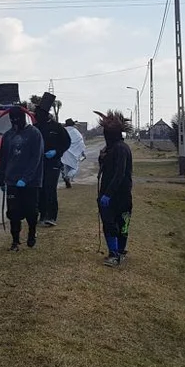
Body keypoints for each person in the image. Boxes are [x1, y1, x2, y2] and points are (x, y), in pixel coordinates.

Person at [0, 105, 44, 250]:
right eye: (12, 120)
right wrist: (1, 179)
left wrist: (26, 178)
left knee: (31, 211)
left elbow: (36, 158)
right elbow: (3, 158)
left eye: (17, 120)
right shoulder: (7, 136)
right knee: (14, 212)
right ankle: (15, 241)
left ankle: (32, 232)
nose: (15, 123)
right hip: (12, 180)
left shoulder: (34, 134)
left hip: (31, 182)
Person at [95, 111, 134, 268]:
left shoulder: (121, 149)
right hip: (110, 193)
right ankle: (115, 252)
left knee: (120, 223)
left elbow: (119, 173)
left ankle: (117, 252)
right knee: (111, 223)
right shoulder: (110, 149)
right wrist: (102, 158)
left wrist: (108, 194)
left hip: (120, 194)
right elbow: (106, 169)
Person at [33, 92, 71, 227]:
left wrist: (56, 152)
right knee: (40, 189)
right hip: (39, 164)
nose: (37, 116)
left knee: (50, 189)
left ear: (45, 113)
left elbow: (66, 142)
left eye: (39, 113)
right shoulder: (35, 128)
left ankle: (51, 216)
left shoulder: (57, 127)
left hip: (53, 163)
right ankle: (42, 215)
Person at [61, 118, 87, 188]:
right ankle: (68, 177)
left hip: (64, 152)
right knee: (74, 168)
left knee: (66, 167)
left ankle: (67, 180)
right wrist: (82, 152)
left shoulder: (63, 131)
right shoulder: (76, 132)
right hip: (74, 153)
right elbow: (80, 143)